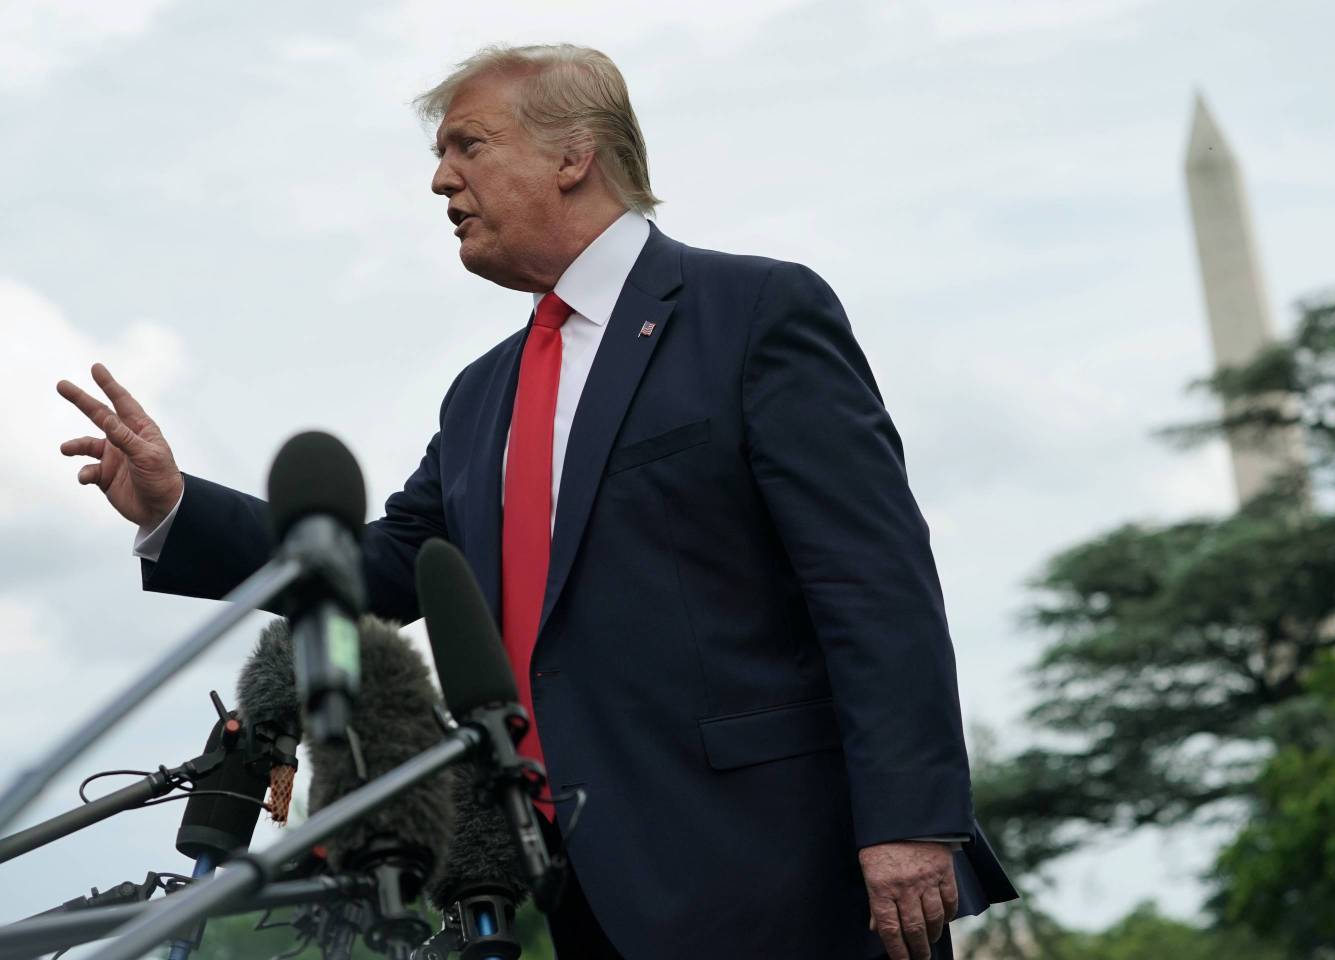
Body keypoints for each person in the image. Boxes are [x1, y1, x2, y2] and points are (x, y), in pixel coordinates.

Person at [56, 43, 1016, 960]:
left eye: (467, 145)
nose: (440, 180)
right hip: (578, 882)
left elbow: (871, 580)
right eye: (439, 155)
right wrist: (176, 508)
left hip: (777, 863)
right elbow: (388, 568)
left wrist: (910, 819)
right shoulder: (484, 393)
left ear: (573, 154)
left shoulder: (755, 314)